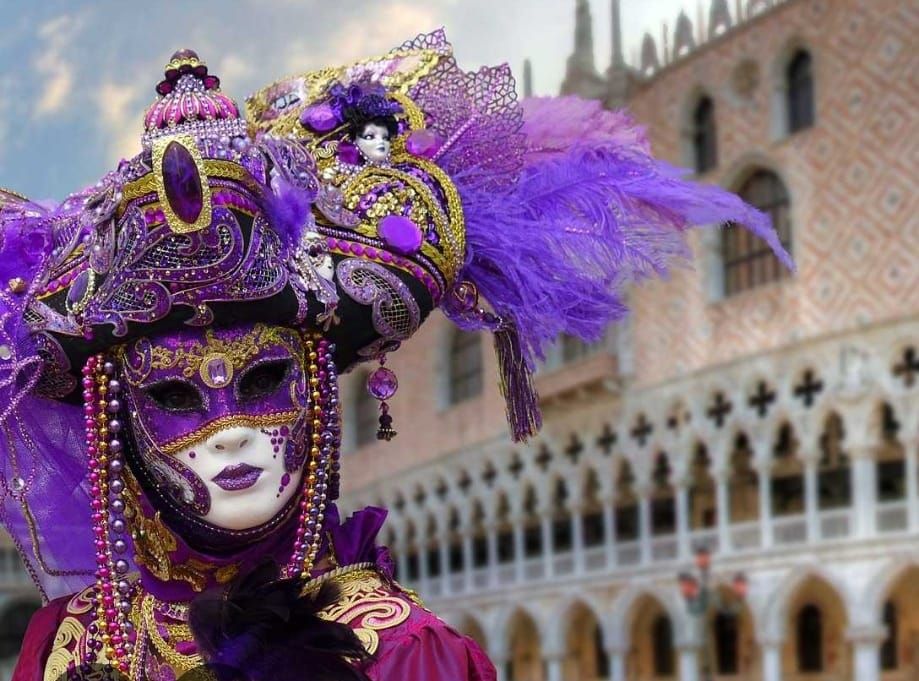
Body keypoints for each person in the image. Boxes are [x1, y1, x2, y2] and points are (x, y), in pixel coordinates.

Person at [2, 31, 790, 681]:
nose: (231, 428)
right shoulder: (66, 646)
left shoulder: (404, 653)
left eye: (264, 379)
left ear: (315, 385)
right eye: (173, 396)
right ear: (117, 420)